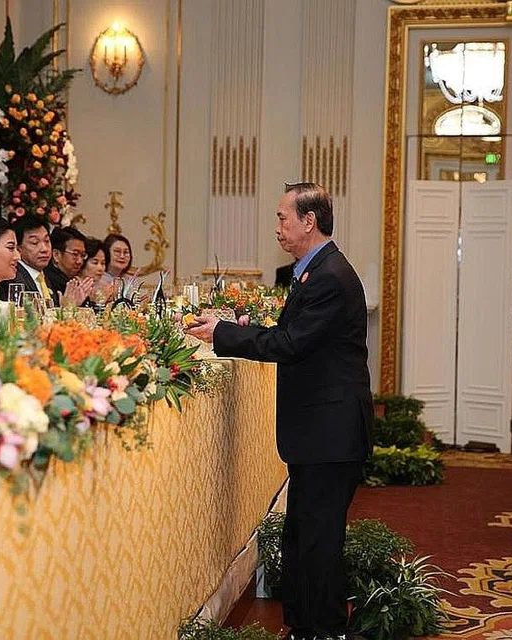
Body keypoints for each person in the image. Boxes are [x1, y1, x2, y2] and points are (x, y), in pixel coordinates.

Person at [186, 182, 371, 640]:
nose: (278, 227)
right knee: (305, 536)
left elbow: (291, 344)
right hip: (320, 432)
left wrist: (224, 333)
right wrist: (246, 330)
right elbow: (295, 334)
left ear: (309, 221)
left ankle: (323, 630)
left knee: (318, 541)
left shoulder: (329, 276)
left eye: (283, 218)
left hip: (330, 434)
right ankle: (306, 625)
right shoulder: (314, 270)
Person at [9, 214, 92, 307]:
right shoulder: (14, 279)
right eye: (35, 243)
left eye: (46, 241)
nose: (44, 249)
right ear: (18, 248)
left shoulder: (44, 277)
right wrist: (66, 309)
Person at [46, 226, 89, 296]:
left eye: (83, 255)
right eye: (75, 254)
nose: (80, 261)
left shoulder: (72, 280)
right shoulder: (49, 280)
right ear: (56, 255)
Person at [80, 236, 114, 309]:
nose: (100, 268)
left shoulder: (104, 286)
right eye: (95, 263)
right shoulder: (73, 286)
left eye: (103, 263)